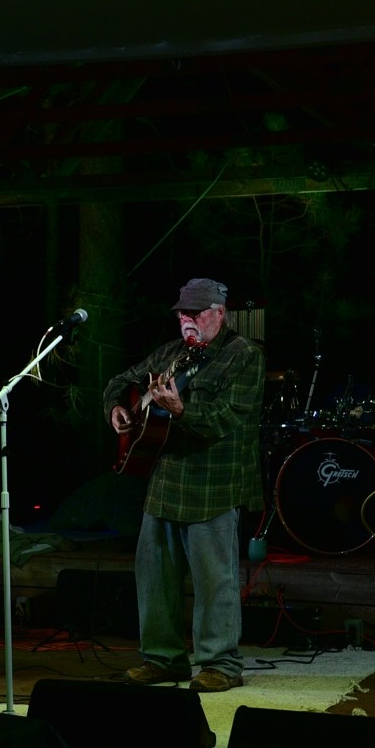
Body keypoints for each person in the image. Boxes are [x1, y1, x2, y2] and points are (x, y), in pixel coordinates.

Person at [103, 278, 264, 693]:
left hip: (214, 485)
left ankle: (221, 664)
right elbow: (120, 381)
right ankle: (162, 659)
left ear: (219, 313)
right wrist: (118, 407)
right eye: (182, 314)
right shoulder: (170, 354)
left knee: (214, 582)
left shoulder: (243, 356)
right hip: (164, 484)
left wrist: (181, 410)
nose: (187, 320)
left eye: (196, 313)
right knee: (154, 577)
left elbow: (225, 418)